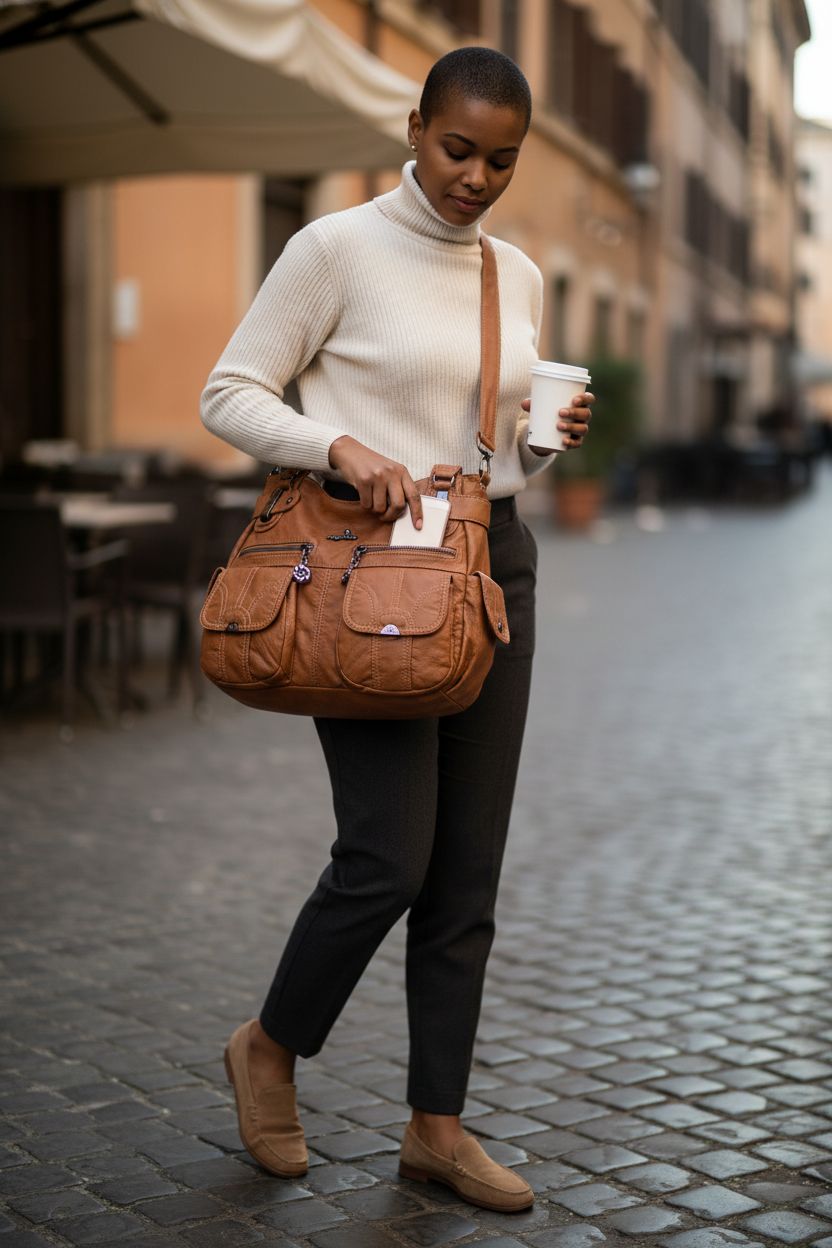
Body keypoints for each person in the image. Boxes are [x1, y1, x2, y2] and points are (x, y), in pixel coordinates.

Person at [201, 46, 594, 1214]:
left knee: (464, 871)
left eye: (501, 160)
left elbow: (499, 447)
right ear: (415, 127)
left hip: (487, 568)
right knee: (386, 856)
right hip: (362, 573)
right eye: (457, 149)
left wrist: (542, 437)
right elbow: (229, 392)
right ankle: (270, 1045)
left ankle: (435, 1126)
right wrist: (339, 446)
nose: (475, 177)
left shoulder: (512, 273)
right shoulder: (332, 249)